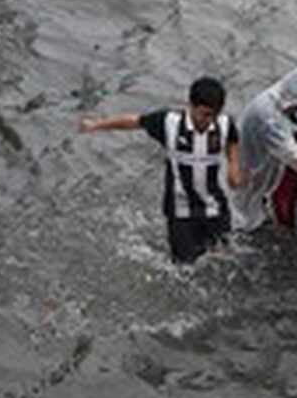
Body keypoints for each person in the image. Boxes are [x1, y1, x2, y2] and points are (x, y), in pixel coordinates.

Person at [78, 76, 241, 265]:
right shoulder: (168, 122)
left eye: (214, 115)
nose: (209, 121)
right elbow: (134, 121)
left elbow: (232, 140)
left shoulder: (224, 123)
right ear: (191, 106)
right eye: (204, 114)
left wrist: (234, 166)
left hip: (215, 207)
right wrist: (97, 125)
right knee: (185, 267)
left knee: (224, 259)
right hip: (180, 211)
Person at [233, 67, 297, 276]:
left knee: (281, 197)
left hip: (278, 164)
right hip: (253, 164)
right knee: (244, 214)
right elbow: (292, 153)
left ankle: (280, 226)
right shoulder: (265, 112)